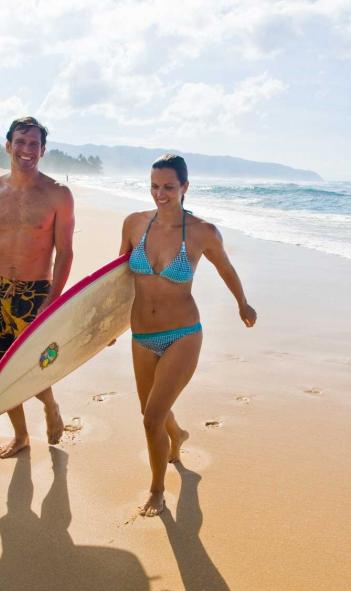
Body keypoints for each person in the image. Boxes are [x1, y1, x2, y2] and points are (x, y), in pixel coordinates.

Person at [119, 154, 256, 516]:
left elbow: (226, 268)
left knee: (150, 419)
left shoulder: (201, 232)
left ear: (184, 187)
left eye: (168, 187)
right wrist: (99, 328)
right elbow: (115, 282)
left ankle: (157, 489)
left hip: (182, 333)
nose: (160, 194)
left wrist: (243, 303)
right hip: (141, 336)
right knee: (153, 411)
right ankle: (177, 436)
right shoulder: (134, 224)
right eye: (154, 187)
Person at [0, 117, 75, 458]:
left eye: (34, 144)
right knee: (1, 370)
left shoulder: (58, 194)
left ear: (42, 150)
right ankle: (21, 436)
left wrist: (52, 300)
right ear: (8, 145)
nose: (27, 150)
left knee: (34, 367)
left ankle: (50, 405)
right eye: (21, 142)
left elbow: (65, 251)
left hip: (35, 294)